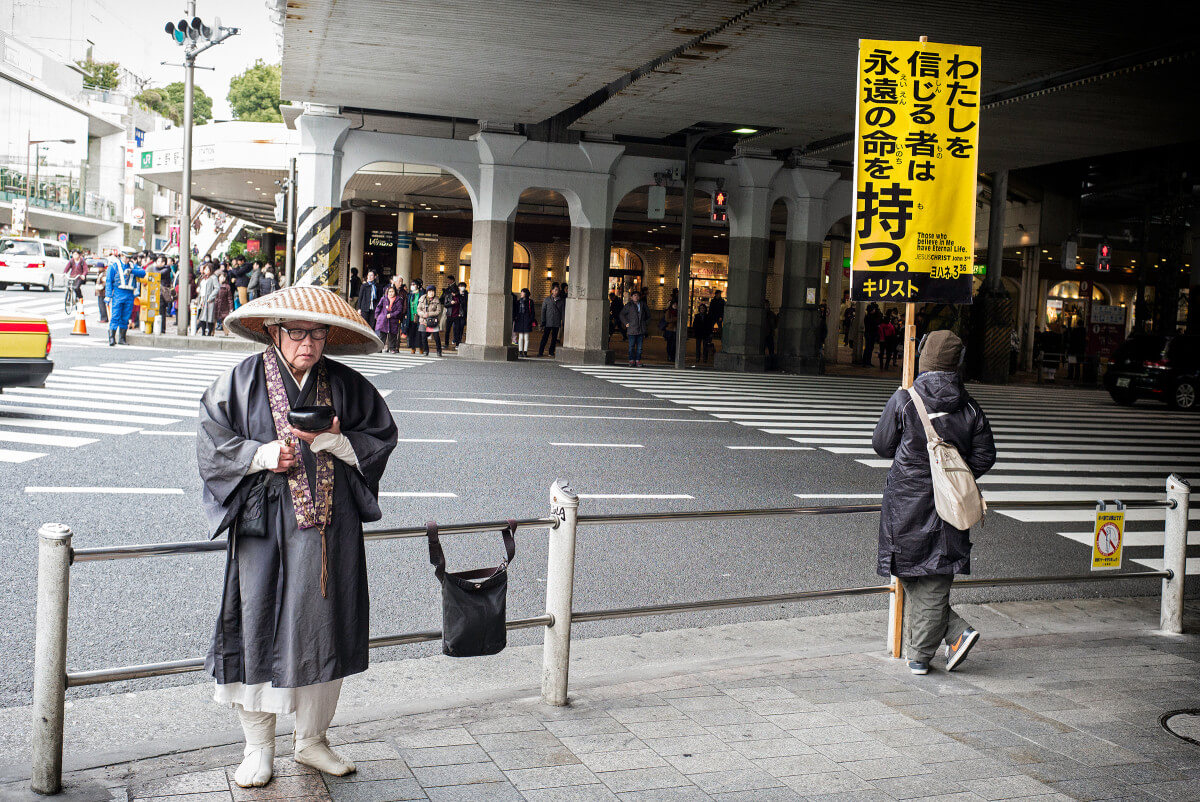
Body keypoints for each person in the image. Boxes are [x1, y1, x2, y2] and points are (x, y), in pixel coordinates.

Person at [198, 285, 397, 789]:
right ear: (273, 332)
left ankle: (312, 740)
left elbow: (380, 440)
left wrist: (333, 441)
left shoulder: (349, 386)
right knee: (256, 625)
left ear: (328, 335)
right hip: (263, 529)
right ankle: (257, 748)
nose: (306, 343)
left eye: (315, 333)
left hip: (329, 533)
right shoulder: (238, 383)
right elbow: (213, 446)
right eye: (295, 332)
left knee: (324, 628)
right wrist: (263, 456)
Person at [871, 330, 996, 676]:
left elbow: (881, 445)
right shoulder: (970, 407)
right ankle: (942, 642)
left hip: (905, 504)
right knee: (936, 574)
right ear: (957, 364)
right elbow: (986, 455)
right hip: (951, 505)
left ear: (924, 359)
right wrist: (952, 475)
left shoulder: (905, 399)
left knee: (910, 570)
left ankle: (926, 653)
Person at [104, 254, 145, 346]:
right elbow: (109, 281)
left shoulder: (132, 266)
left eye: (128, 258)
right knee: (115, 316)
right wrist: (108, 295)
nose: (127, 260)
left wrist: (131, 271)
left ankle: (122, 338)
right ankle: (111, 338)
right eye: (125, 257)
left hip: (129, 294)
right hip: (118, 293)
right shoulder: (114, 265)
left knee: (125, 317)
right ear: (121, 255)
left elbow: (143, 273)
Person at [618, 289, 649, 367]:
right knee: (631, 346)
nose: (636, 297)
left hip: (641, 329)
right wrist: (626, 323)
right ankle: (631, 360)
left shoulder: (643, 304)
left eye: (638, 296)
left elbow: (649, 315)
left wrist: (645, 323)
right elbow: (621, 314)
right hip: (631, 329)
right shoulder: (629, 305)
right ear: (631, 297)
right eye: (634, 295)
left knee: (639, 347)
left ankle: (638, 360)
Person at [374, 285, 404, 352]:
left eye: (392, 291)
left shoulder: (398, 300)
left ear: (395, 292)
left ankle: (392, 348)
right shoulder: (384, 298)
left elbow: (399, 310)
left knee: (392, 335)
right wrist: (377, 316)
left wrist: (391, 315)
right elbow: (379, 307)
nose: (391, 293)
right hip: (384, 319)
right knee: (382, 335)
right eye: (389, 292)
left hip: (393, 319)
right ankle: (379, 348)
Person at [417, 285, 443, 357]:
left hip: (432, 321)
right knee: (423, 336)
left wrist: (429, 314)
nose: (431, 293)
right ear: (427, 292)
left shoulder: (437, 300)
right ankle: (426, 350)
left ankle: (439, 351)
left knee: (436, 336)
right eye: (429, 291)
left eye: (432, 291)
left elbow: (439, 311)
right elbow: (418, 309)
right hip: (423, 320)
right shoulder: (422, 298)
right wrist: (423, 314)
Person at [538, 285, 564, 357]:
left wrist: (563, 322)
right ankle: (540, 352)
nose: (556, 292)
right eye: (555, 290)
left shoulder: (561, 301)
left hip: (556, 322)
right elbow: (543, 311)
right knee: (545, 338)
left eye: (557, 290)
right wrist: (543, 321)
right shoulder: (547, 300)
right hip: (548, 322)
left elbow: (563, 312)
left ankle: (551, 352)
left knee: (554, 339)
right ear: (552, 290)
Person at [512, 288, 536, 357]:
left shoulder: (530, 302)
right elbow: (515, 311)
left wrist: (530, 320)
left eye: (522, 292)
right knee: (520, 337)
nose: (521, 294)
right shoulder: (518, 302)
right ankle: (520, 351)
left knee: (526, 337)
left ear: (525, 293)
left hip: (527, 320)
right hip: (519, 320)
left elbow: (532, 312)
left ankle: (525, 351)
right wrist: (515, 318)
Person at [197, 265, 218, 336]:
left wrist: (211, 297)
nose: (205, 270)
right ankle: (203, 332)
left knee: (209, 317)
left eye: (207, 269)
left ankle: (208, 332)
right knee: (203, 315)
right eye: (204, 269)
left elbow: (217, 288)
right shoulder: (203, 277)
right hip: (202, 299)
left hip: (209, 300)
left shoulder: (213, 278)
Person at [406, 280, 422, 354]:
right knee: (411, 333)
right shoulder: (409, 295)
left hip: (419, 316)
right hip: (411, 316)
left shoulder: (421, 294)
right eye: (411, 284)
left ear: (418, 286)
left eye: (414, 284)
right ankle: (413, 348)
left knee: (420, 333)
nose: (412, 286)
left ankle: (421, 347)